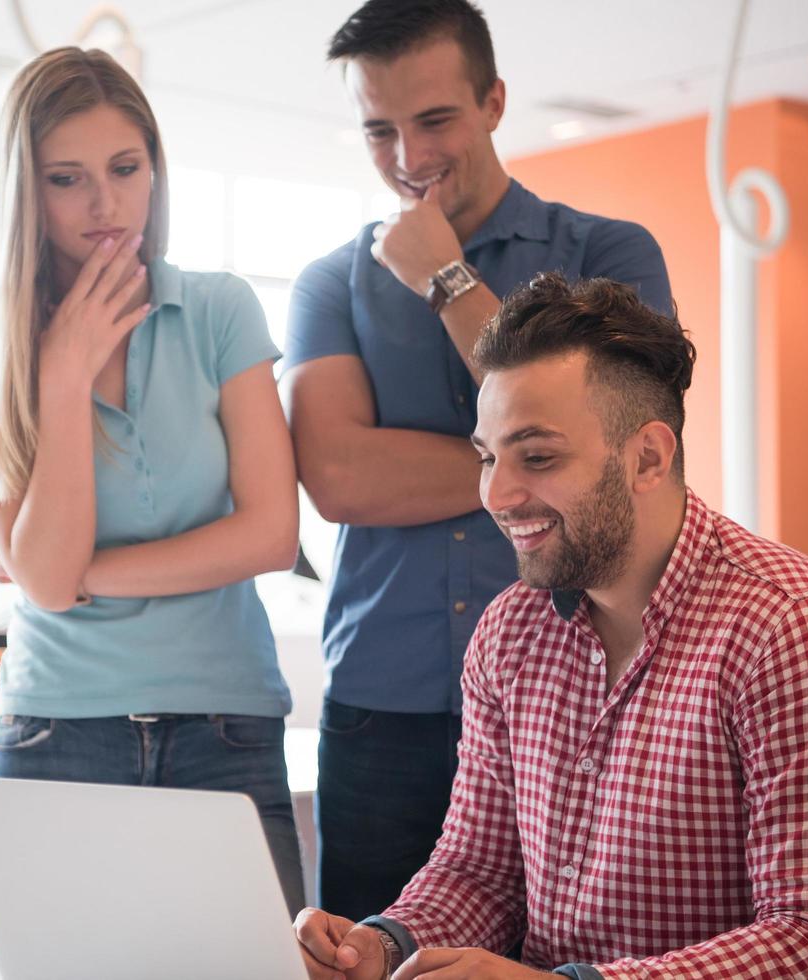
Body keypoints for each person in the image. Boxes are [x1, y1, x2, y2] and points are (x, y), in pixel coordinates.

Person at [294, 273, 808, 980]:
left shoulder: (796, 633)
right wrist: (382, 943)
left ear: (647, 457)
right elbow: (478, 872)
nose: (494, 494)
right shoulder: (509, 632)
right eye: (487, 457)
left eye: (538, 457)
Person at [280, 0, 673, 920]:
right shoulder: (330, 283)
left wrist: (447, 281)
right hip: (384, 700)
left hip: (578, 687)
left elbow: (626, 441)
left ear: (494, 101)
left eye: (434, 120)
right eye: (378, 130)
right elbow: (336, 480)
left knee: (559, 950)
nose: (409, 157)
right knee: (368, 952)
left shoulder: (609, 254)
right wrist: (550, 463)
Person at [0, 47, 306, 916]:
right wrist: (62, 374)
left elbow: (268, 537)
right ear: (23, 192)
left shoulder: (218, 310)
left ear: (155, 170)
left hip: (225, 726)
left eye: (125, 168)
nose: (105, 204)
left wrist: (69, 572)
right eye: (67, 179)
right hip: (54, 730)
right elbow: (46, 584)